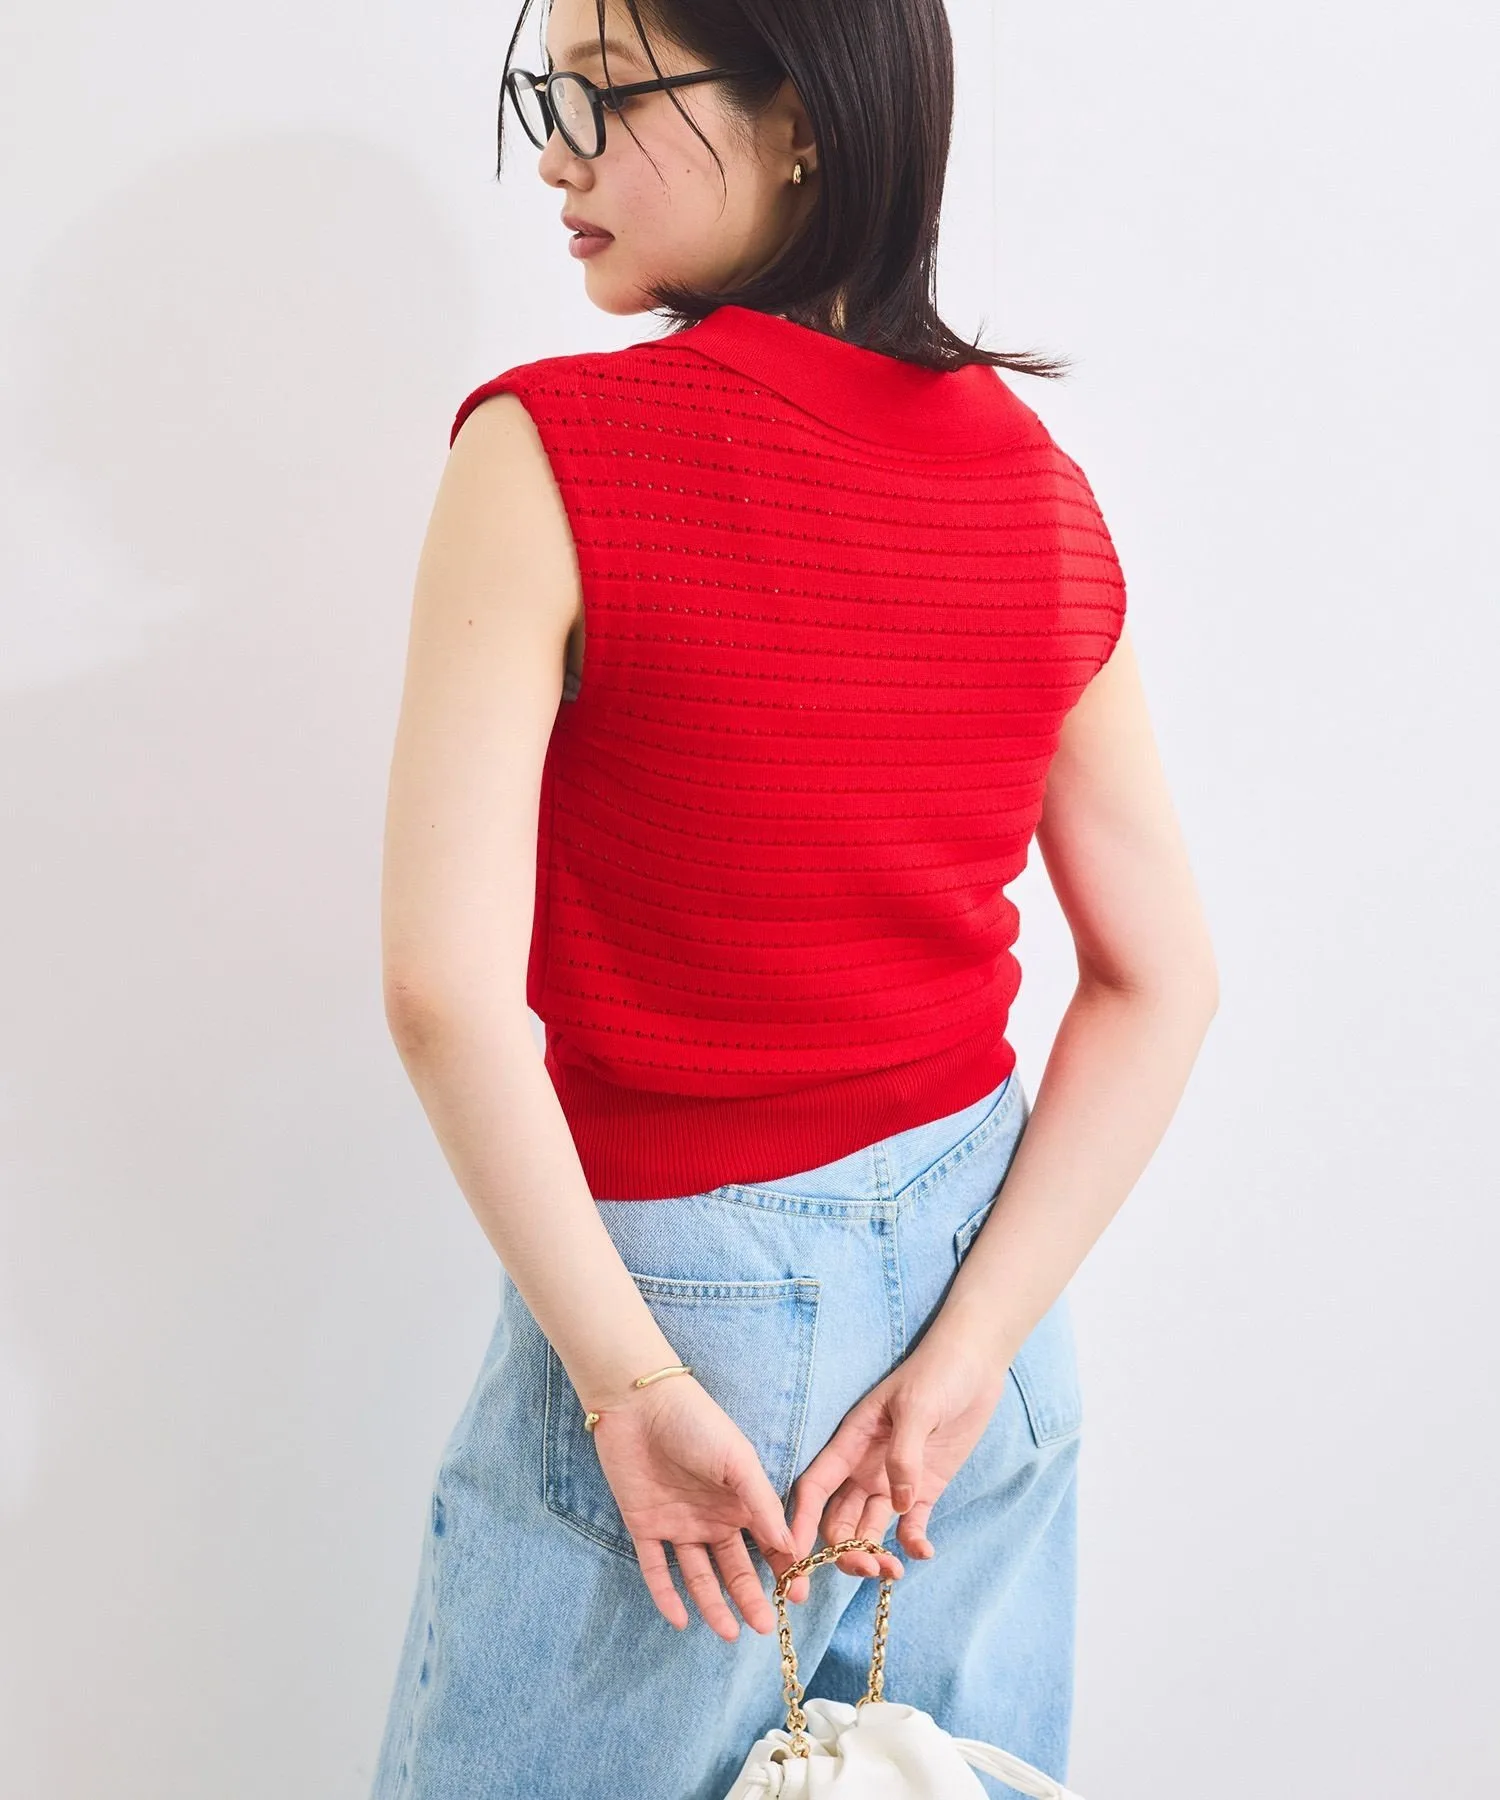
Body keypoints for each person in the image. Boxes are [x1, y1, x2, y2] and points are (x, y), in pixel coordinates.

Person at [369, 1, 1218, 1795]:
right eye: (547, 97)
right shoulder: (1040, 493)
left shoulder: (554, 451)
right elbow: (1164, 978)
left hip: (692, 1348)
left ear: (805, 122)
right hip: (981, 1338)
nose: (556, 156)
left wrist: (626, 1385)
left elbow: (445, 988)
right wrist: (970, 1354)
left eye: (608, 96)